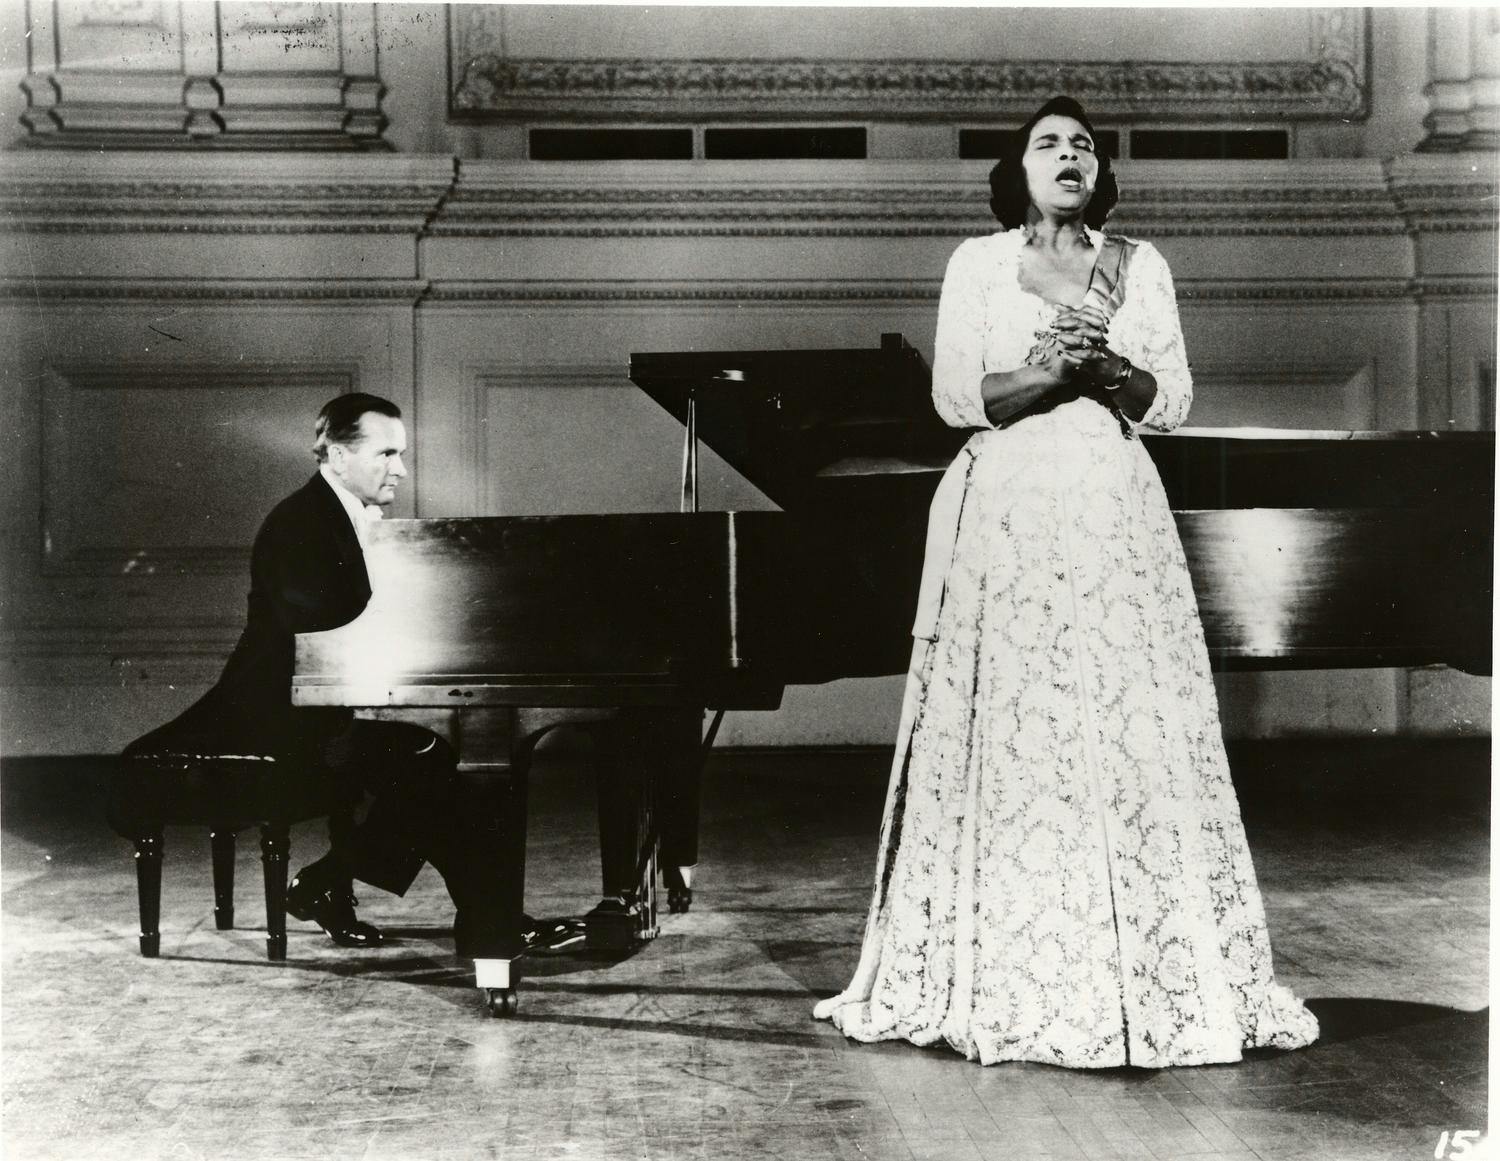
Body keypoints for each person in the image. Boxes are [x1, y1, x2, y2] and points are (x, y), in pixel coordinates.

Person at [813, 97, 1318, 1068]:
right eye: (1049, 143)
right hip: (1007, 516)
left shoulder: (1141, 263)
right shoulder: (978, 262)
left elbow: (1169, 400)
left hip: (1112, 512)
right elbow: (959, 396)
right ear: (1017, 170)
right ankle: (1005, 971)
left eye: (1084, 144)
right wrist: (1052, 374)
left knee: (1123, 728)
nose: (1070, 154)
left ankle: (1139, 979)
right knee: (1020, 726)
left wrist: (1108, 368)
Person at [128, 393, 478, 951]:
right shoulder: (299, 522)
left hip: (320, 698)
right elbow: (320, 628)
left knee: (431, 757)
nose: (402, 469)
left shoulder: (342, 516)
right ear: (338, 456)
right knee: (426, 759)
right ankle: (480, 918)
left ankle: (339, 886)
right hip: (270, 711)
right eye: (387, 453)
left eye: (402, 454)